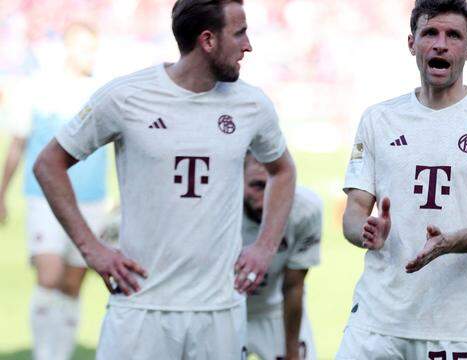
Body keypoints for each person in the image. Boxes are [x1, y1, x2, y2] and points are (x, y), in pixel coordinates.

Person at [32, 0, 296, 359]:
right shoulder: (125, 96)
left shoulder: (252, 105)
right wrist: (92, 248)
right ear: (208, 40)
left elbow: (284, 170)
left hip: (218, 310)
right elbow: (49, 164)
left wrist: (265, 246)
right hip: (141, 306)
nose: (248, 45)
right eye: (239, 33)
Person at [336, 0, 467, 359]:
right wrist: (365, 231)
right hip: (375, 325)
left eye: (454, 35)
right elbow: (353, 213)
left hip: (457, 330)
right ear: (412, 43)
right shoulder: (379, 119)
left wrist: (449, 242)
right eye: (430, 32)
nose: (440, 44)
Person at [0, 22, 107, 360]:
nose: (90, 55)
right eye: (84, 47)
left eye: (94, 48)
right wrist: (1, 192)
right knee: (49, 274)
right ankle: (44, 354)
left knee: (73, 282)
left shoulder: (102, 93)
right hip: (44, 198)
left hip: (92, 199)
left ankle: (60, 353)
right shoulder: (37, 88)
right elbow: (17, 144)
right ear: (68, 48)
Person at [243, 153, 321, 360]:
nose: (269, 196)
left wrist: (292, 351)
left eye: (275, 184)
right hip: (226, 309)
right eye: (258, 185)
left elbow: (293, 286)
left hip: (275, 311)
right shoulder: (219, 210)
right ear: (238, 180)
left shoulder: (306, 210)